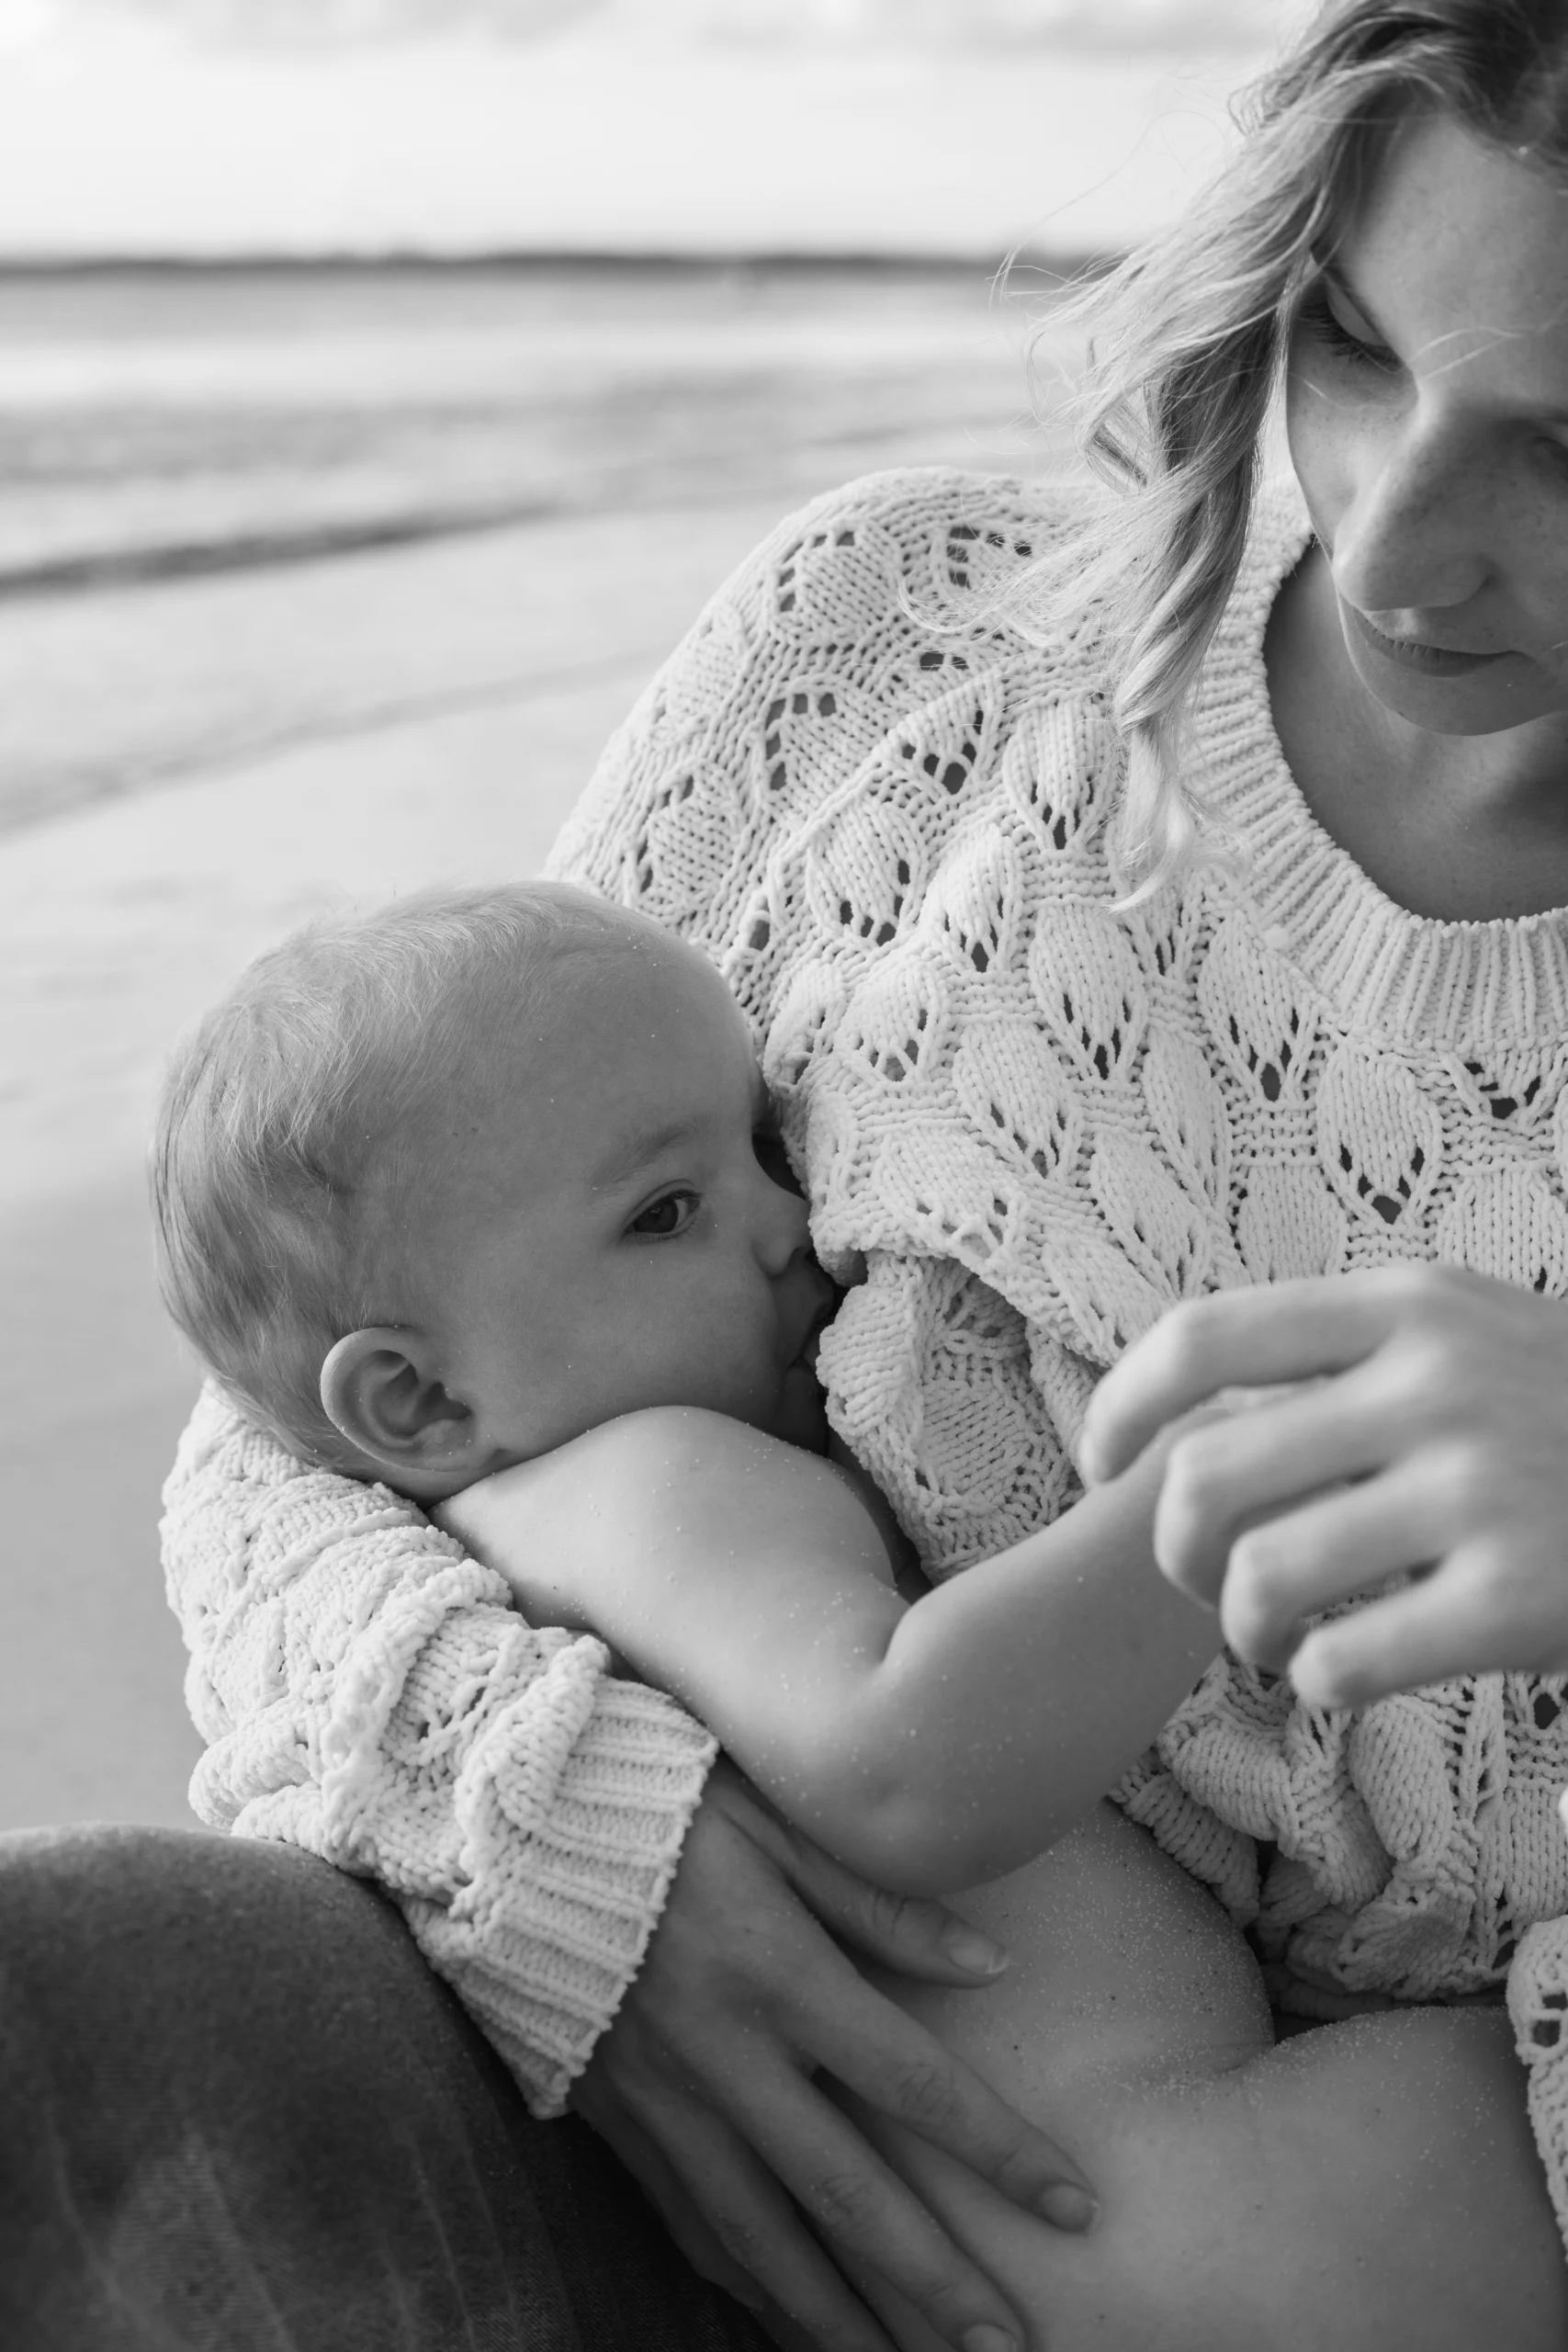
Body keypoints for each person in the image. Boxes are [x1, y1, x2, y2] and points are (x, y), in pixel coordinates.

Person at [13, 0, 1568, 2342]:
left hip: (1298, 2246)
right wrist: (577, 1870)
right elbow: (319, 1409)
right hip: (614, 2152)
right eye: (1346, 338)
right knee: (75, 1988)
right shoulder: (887, 650)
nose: (1399, 539)